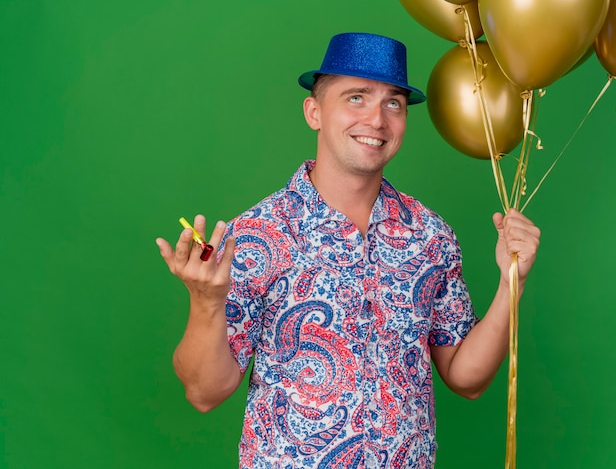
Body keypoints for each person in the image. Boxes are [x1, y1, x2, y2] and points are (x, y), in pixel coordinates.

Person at [156, 32, 541, 469]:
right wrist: (206, 302)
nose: (377, 119)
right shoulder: (256, 235)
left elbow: (466, 378)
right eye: (356, 97)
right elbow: (205, 393)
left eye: (393, 103)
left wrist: (514, 281)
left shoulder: (431, 237)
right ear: (314, 112)